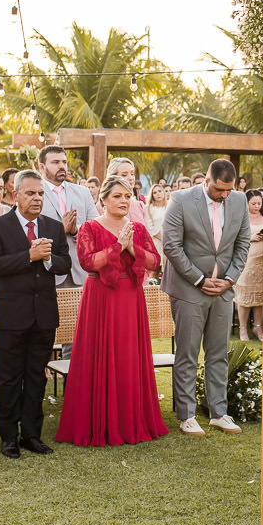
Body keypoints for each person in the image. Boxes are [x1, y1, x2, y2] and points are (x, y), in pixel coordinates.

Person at [55, 176, 167, 446]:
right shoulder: (89, 227)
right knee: (99, 354)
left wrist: (132, 247)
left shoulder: (138, 229)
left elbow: (155, 260)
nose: (124, 201)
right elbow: (87, 262)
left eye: (127, 196)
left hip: (130, 297)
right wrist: (118, 247)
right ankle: (98, 420)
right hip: (100, 297)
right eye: (117, 196)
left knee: (128, 355)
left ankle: (130, 419)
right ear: (103, 200)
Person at [0, 170, 71, 458]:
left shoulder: (54, 227)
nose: (37, 198)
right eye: (31, 193)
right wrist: (28, 257)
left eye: (41, 194)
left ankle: (32, 435)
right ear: (15, 194)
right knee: (8, 377)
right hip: (10, 315)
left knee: (36, 377)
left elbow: (65, 264)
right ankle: (8, 436)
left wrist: (47, 258)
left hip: (43, 315)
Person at [161, 159, 251, 436]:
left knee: (218, 353)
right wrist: (199, 279)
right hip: (189, 289)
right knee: (187, 352)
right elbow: (171, 246)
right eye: (220, 189)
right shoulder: (180, 200)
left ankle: (219, 412)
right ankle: (187, 415)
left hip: (223, 290)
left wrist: (229, 280)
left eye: (229, 189)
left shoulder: (239, 201)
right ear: (207, 181)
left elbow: (243, 243)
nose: (225, 194)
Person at [37, 145, 100, 288]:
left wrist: (76, 230)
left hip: (80, 270)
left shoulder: (83, 192)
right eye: (55, 162)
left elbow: (96, 227)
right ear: (42, 167)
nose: (62, 166)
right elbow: (30, 230)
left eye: (64, 162)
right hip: (48, 270)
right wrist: (60, 230)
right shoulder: (34, 193)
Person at [235, 189, 263, 341]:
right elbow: (234, 237)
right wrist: (251, 237)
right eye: (253, 203)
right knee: (245, 296)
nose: (256, 206)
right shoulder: (242, 217)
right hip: (247, 259)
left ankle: (258, 327)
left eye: (259, 203)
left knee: (259, 295)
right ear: (246, 203)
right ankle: (242, 329)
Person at [145, 182, 169, 266]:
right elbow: (149, 226)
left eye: (159, 191)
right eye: (155, 192)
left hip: (170, 240)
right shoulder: (149, 208)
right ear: (152, 195)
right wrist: (161, 238)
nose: (158, 194)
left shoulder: (170, 206)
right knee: (155, 266)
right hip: (156, 240)